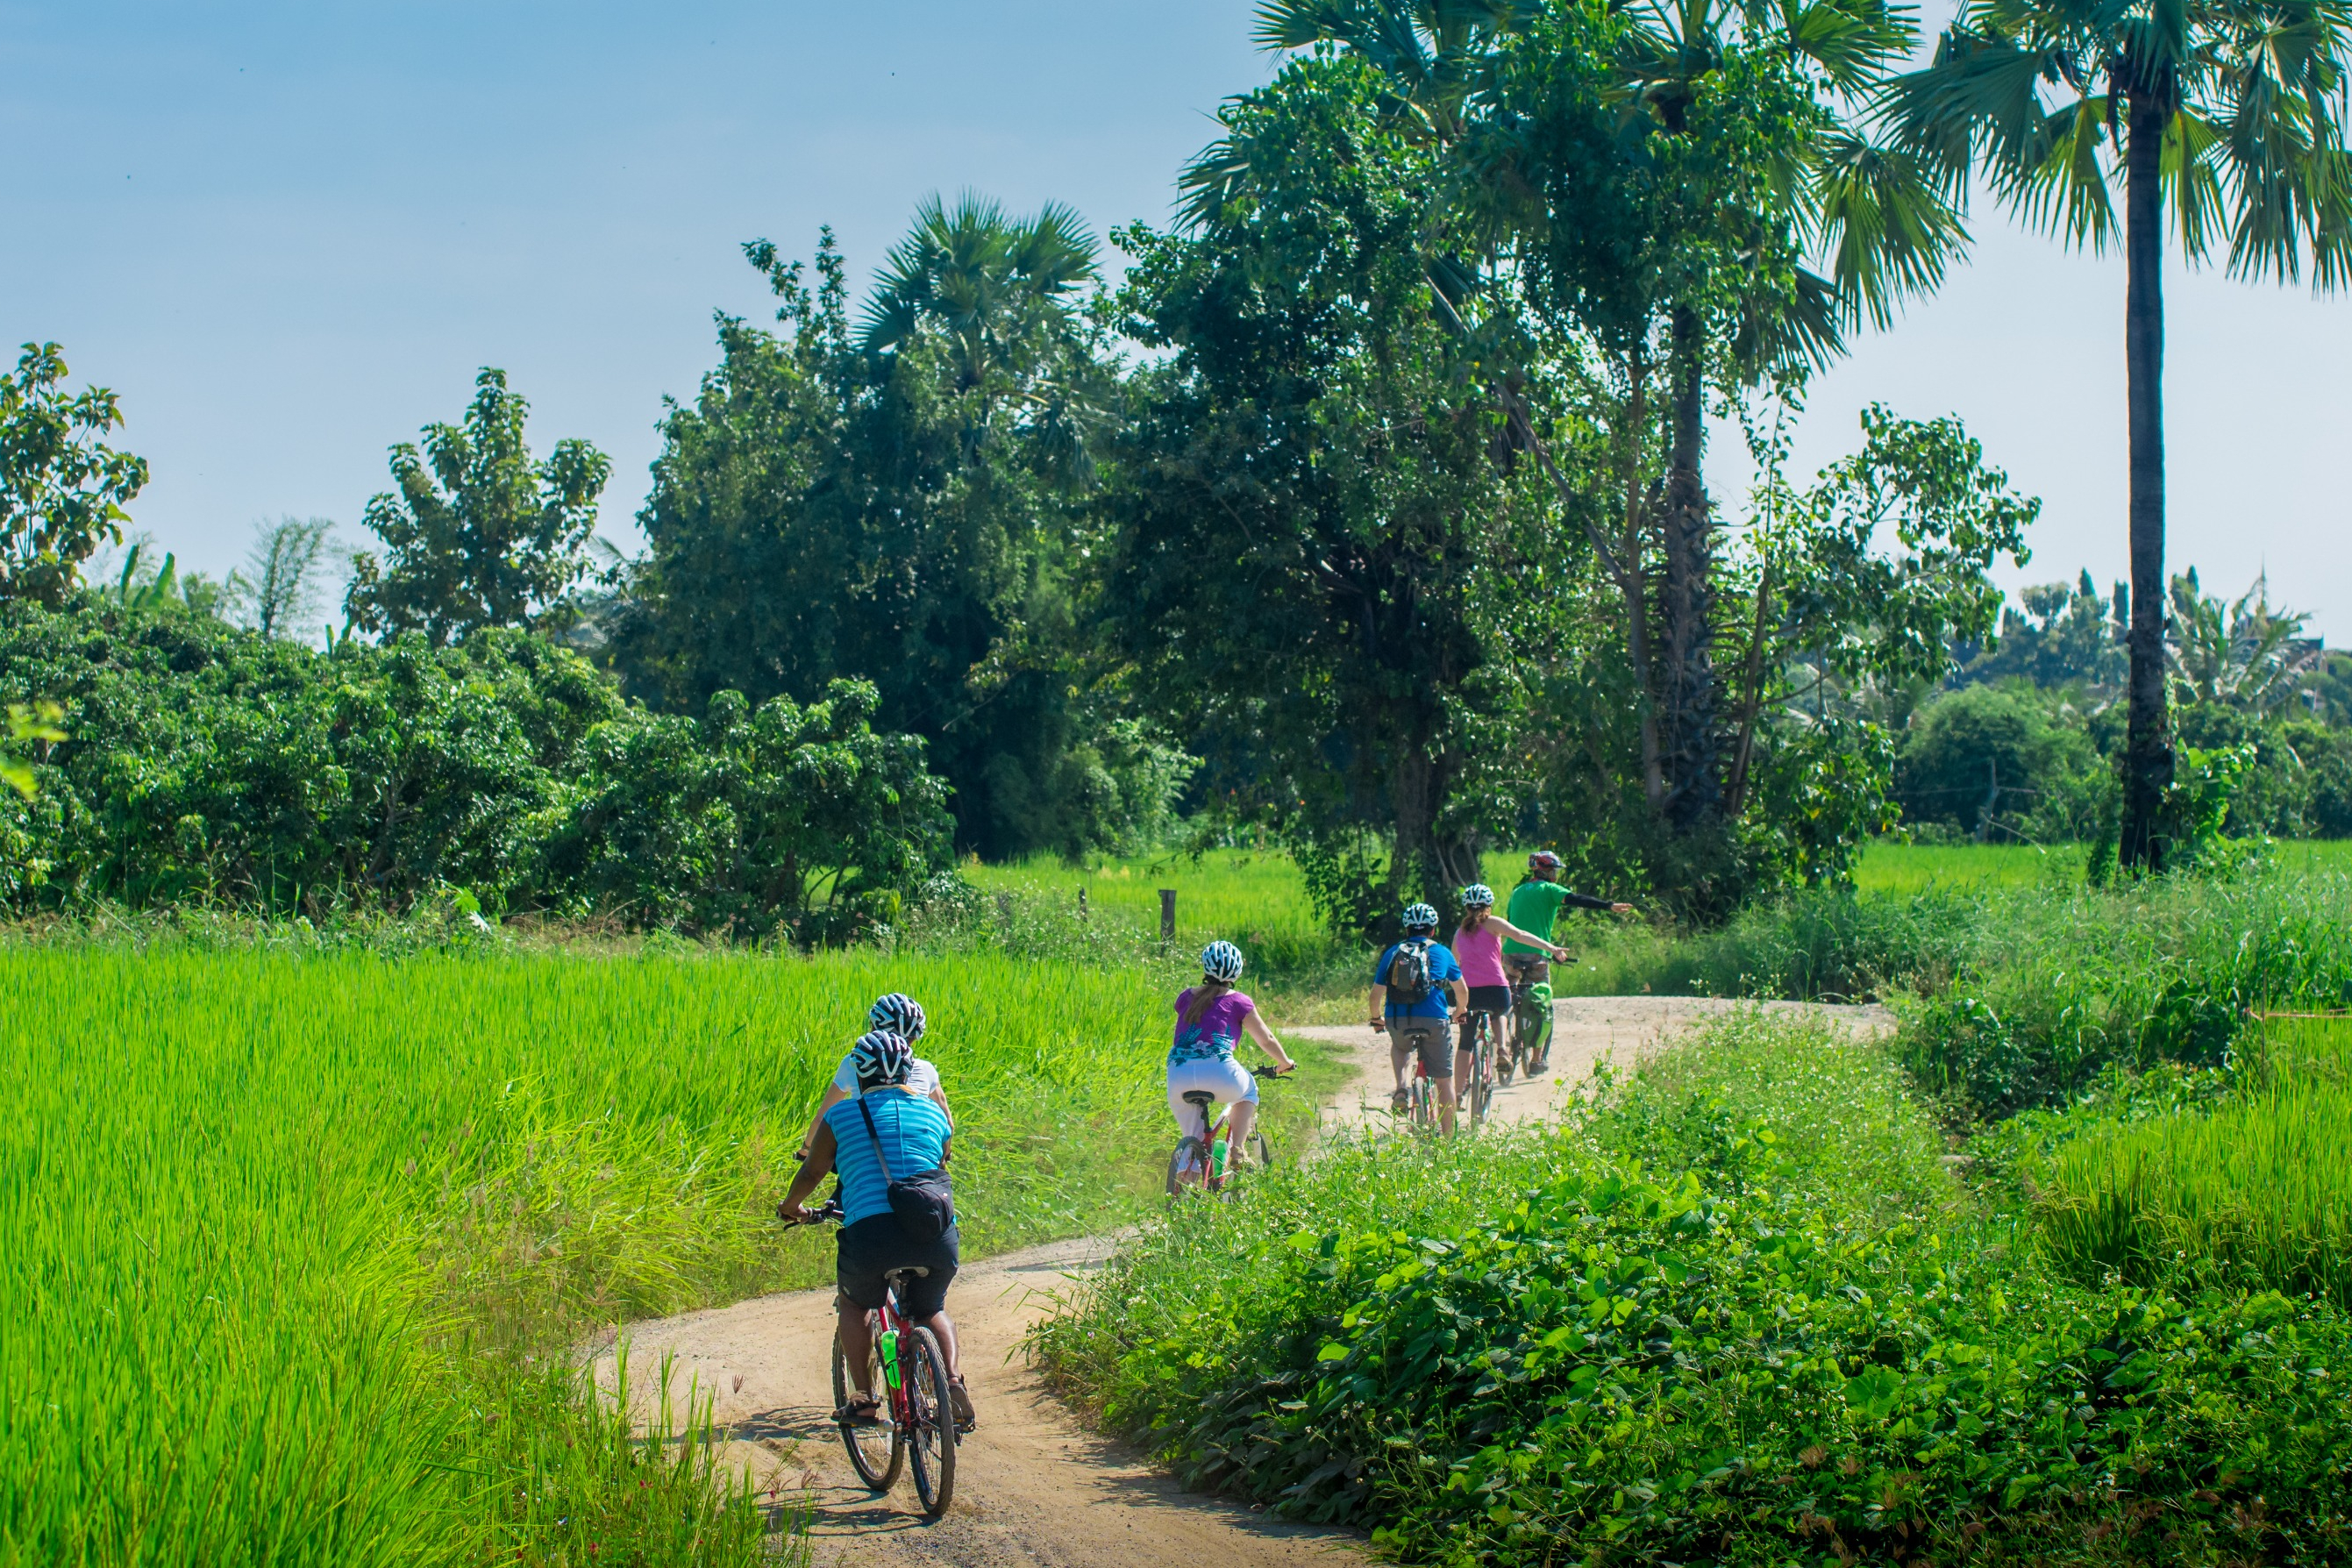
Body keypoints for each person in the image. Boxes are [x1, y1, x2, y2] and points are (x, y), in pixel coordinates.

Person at [778, 1030, 976, 1430]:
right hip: (935, 1232)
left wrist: (791, 1206)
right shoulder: (935, 1114)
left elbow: (815, 1170)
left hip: (871, 1234)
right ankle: (952, 1381)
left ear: (860, 1074)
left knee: (855, 1305)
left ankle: (865, 1400)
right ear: (908, 1069)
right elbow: (939, 1160)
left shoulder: (840, 1116)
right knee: (932, 1308)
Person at [1167, 939, 1298, 1190]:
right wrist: (1284, 1063)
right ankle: (1237, 1151)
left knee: (1193, 1140)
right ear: (1237, 973)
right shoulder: (1239, 1002)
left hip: (1178, 1073)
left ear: (1205, 969)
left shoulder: (1185, 998)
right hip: (1219, 1071)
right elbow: (1266, 1039)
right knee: (1247, 1091)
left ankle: (1184, 1194)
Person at [1501, 852, 1634, 1067]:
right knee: (1541, 1002)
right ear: (1549, 872)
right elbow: (1576, 899)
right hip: (1537, 955)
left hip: (1510, 954)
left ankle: (1503, 1046)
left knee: (1509, 997)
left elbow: (1510, 921)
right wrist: (1608, 905)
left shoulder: (1517, 892)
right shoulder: (1550, 890)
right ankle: (1536, 1059)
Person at [797, 993, 953, 1162]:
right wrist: (945, 1156)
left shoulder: (855, 1063)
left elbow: (823, 1116)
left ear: (874, 1029)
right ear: (914, 1038)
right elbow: (947, 1122)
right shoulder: (927, 1070)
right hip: (917, 1164)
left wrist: (806, 1149)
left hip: (866, 1157)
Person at [1450, 883, 1569, 1085]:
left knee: (1465, 1044)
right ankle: (1503, 1050)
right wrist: (1551, 948)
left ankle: (1459, 1094)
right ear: (1489, 905)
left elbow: (1454, 963)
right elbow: (1521, 936)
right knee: (1501, 1013)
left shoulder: (1459, 932)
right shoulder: (1493, 923)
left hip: (1469, 992)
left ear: (1467, 908)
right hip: (1496, 987)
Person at [1369, 903, 1469, 1135]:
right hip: (1434, 1017)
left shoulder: (1393, 952)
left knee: (1400, 1047)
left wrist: (1377, 1018)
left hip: (1397, 1018)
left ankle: (1402, 1089)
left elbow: (1375, 995)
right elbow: (1461, 991)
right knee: (1444, 1081)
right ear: (1433, 930)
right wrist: (1459, 1011)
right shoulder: (1442, 952)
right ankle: (1448, 1140)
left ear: (1407, 930)